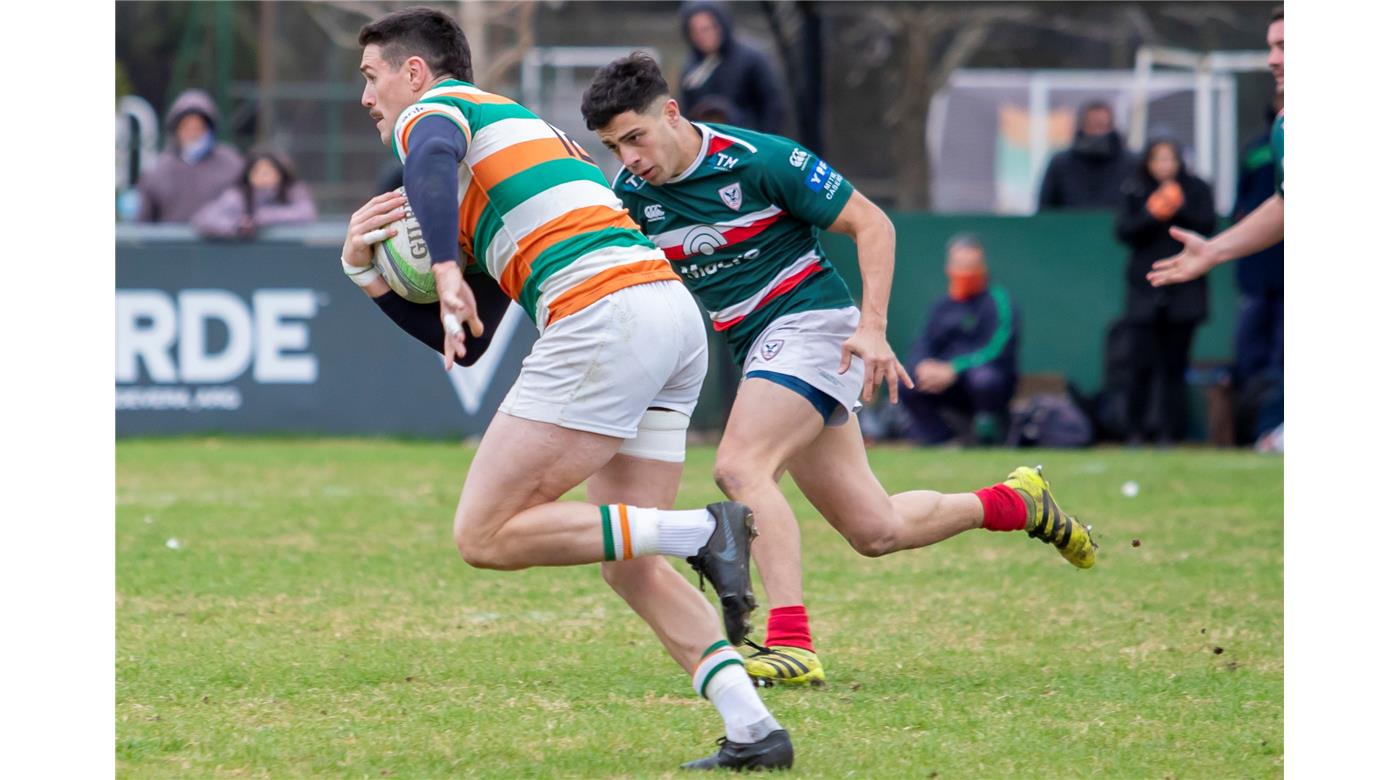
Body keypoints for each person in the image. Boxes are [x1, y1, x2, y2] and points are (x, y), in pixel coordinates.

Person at [341, 8, 789, 771]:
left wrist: (442, 266)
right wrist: (369, 275)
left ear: (415, 73)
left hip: (605, 314)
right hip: (666, 317)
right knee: (626, 556)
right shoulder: (516, 140)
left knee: (482, 534)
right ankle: (752, 727)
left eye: (370, 75)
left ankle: (701, 533)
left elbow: (431, 153)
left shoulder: (439, 114)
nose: (365, 97)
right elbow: (470, 344)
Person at [582, 53, 1096, 690]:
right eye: (613, 146)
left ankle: (792, 642)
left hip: (814, 326)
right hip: (763, 350)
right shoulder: (630, 198)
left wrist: (873, 326)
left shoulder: (761, 159)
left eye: (635, 137)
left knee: (740, 467)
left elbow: (871, 224)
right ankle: (1018, 503)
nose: (630, 157)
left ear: (670, 112)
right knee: (875, 528)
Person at [1147, 6, 1283, 287]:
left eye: (1285, 47)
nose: (1272, 60)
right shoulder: (1285, 127)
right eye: (1271, 48)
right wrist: (1213, 250)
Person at [1113, 139, 1217, 444]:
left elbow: (1206, 225)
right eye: (1157, 159)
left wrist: (1178, 208)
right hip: (1145, 287)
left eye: (1169, 159)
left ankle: (1171, 432)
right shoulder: (1134, 189)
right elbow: (1124, 231)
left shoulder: (1196, 188)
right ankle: (1134, 431)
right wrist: (1152, 212)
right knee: (1139, 363)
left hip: (1184, 289)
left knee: (1174, 365)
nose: (1164, 166)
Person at [901, 234, 1019, 446]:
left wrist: (955, 368)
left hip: (983, 383)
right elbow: (923, 343)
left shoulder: (998, 300)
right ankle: (941, 439)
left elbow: (997, 348)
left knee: (984, 380)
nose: (966, 272)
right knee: (906, 379)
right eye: (960, 265)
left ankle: (988, 437)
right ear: (949, 267)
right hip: (942, 383)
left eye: (972, 265)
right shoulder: (942, 305)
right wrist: (923, 365)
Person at [135, 89, 245, 224]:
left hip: (220, 242)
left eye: (199, 127)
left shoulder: (231, 164)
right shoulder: (159, 170)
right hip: (172, 243)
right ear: (176, 131)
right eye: (186, 127)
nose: (193, 134)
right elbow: (143, 221)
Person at [678, 2, 787, 134]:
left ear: (721, 25)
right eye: (695, 31)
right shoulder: (691, 68)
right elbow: (686, 111)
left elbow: (773, 106)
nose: (702, 36)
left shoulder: (752, 59)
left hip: (750, 139)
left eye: (707, 28)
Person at [191, 147, 318, 240]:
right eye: (257, 172)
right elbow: (204, 218)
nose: (263, 177)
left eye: (268, 171)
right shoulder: (238, 196)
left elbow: (306, 213)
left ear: (280, 173)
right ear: (249, 176)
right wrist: (237, 226)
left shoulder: (293, 191)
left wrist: (261, 218)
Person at [1037, 101, 1137, 211]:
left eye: (1103, 125)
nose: (1098, 132)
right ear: (1082, 126)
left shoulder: (1131, 162)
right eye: (1093, 125)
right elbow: (1046, 206)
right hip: (1072, 226)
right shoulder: (1060, 163)